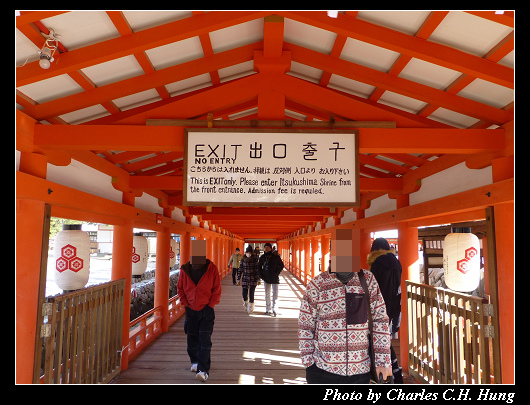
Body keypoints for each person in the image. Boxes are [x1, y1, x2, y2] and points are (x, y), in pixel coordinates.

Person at [298, 228, 392, 384]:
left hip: (361, 369)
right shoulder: (318, 284)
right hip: (323, 369)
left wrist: (382, 361)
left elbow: (380, 321)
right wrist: (309, 362)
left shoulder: (368, 281)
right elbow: (305, 325)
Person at [177, 239, 222, 382]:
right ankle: (195, 362)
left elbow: (217, 289)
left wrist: (211, 306)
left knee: (205, 340)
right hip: (191, 309)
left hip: (207, 310)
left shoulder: (212, 269)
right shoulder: (185, 270)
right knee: (192, 338)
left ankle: (204, 370)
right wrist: (186, 304)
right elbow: (180, 289)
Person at [367, 237, 404, 384]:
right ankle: (394, 373)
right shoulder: (396, 262)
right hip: (394, 304)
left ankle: (382, 373)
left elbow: (372, 287)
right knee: (386, 338)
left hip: (379, 306)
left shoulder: (376, 264)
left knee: (378, 340)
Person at [258, 242, 284, 316]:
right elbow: (259, 267)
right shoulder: (262, 257)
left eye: (267, 247)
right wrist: (261, 276)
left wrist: (277, 273)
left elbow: (281, 265)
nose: (266, 249)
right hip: (266, 277)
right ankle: (268, 309)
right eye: (265, 247)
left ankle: (275, 309)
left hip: (274, 277)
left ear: (271, 248)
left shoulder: (275, 256)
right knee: (267, 293)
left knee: (275, 293)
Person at [237, 245, 260, 314]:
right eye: (247, 253)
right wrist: (238, 279)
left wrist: (258, 279)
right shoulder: (243, 260)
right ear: (245, 253)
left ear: (252, 253)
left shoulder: (255, 260)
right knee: (244, 294)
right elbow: (240, 270)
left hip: (253, 279)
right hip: (245, 279)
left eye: (250, 253)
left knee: (251, 294)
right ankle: (246, 303)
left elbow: (257, 270)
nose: (248, 254)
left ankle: (251, 308)